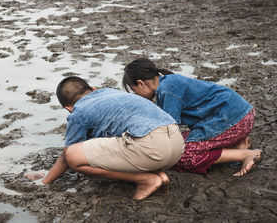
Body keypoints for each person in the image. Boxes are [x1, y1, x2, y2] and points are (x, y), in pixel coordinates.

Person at [28, 76, 185, 200]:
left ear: (68, 108)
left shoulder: (78, 112)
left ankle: (146, 180)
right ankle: (159, 175)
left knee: (73, 155)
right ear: (94, 89)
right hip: (177, 143)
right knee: (123, 139)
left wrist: (45, 181)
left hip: (152, 147)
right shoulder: (110, 92)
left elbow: (66, 157)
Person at [122, 58, 263, 176]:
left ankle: (245, 154)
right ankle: (238, 143)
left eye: (135, 91)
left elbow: (168, 131)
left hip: (232, 122)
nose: (137, 95)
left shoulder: (167, 91)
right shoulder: (169, 82)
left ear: (141, 83)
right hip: (243, 116)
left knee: (181, 155)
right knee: (183, 141)